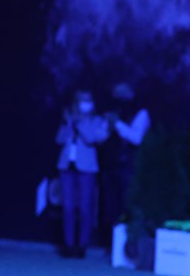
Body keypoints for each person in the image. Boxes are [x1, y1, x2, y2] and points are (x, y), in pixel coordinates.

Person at [56, 89, 109, 258]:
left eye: (88, 100)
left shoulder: (98, 120)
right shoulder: (68, 119)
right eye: (81, 100)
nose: (84, 104)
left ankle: (82, 245)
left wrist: (79, 123)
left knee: (85, 208)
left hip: (87, 169)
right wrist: (68, 123)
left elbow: (92, 139)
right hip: (67, 167)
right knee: (68, 207)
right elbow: (59, 139)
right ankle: (68, 244)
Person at [99, 82, 151, 248]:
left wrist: (117, 124)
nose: (119, 96)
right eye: (116, 92)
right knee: (110, 208)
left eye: (123, 91)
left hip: (129, 167)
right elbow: (101, 137)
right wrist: (107, 124)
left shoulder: (141, 112)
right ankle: (113, 247)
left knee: (128, 206)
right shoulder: (112, 111)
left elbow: (136, 138)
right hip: (110, 166)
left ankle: (130, 246)